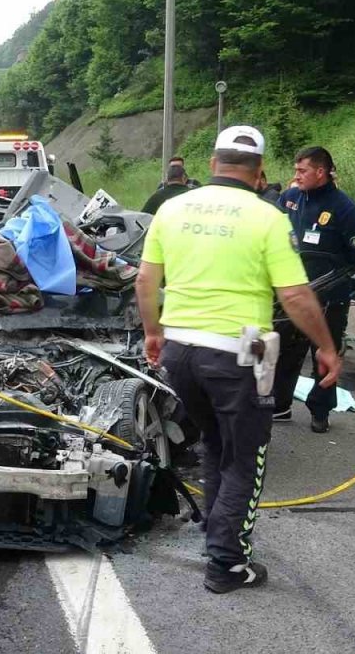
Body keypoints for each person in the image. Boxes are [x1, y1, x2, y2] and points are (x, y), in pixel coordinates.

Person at [137, 125, 340, 594]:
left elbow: (145, 281)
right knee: (245, 456)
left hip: (181, 350)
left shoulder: (173, 207)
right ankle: (227, 563)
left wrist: (153, 332)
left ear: (213, 163)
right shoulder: (268, 217)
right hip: (243, 351)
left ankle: (216, 532)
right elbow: (295, 295)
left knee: (214, 443)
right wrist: (327, 347)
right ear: (259, 171)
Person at [271, 147, 355, 433]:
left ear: (320, 172)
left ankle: (320, 411)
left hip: (329, 296)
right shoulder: (290, 199)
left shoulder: (343, 207)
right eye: (296, 170)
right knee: (284, 352)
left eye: (302, 170)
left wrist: (337, 274)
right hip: (292, 294)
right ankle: (279, 406)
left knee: (324, 354)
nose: (296, 176)